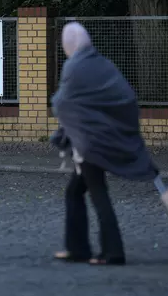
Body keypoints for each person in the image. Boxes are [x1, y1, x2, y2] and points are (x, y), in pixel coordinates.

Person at [50, 22, 159, 265]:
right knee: (75, 192)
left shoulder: (75, 66)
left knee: (98, 195)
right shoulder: (102, 64)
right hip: (100, 141)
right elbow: (125, 97)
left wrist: (73, 124)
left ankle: (112, 252)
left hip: (89, 145)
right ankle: (77, 249)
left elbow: (63, 102)